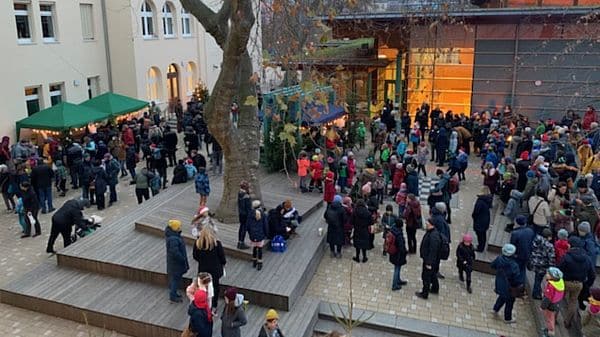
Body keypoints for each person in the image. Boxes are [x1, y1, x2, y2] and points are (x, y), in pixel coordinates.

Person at [559, 236, 596, 329]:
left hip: (565, 282)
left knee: (559, 299)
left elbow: (559, 269)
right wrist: (587, 284)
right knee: (573, 301)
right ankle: (568, 321)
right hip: (579, 283)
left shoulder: (566, 257)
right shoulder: (587, 258)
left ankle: (554, 316)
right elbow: (592, 274)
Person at [193, 226, 226, 310]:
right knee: (215, 287)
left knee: (203, 287)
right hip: (215, 270)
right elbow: (222, 257)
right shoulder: (216, 243)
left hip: (203, 269)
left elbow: (195, 256)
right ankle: (214, 305)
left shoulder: (197, 244)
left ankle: (203, 302)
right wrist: (222, 263)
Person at [491, 243, 521, 324]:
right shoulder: (514, 265)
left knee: (502, 297)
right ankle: (507, 318)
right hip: (509, 287)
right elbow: (516, 279)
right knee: (509, 303)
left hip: (499, 284)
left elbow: (492, 265)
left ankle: (495, 309)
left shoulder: (499, 258)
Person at [415, 218, 442, 300]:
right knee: (433, 274)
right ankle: (435, 289)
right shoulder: (432, 232)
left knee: (426, 277)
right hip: (431, 261)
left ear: (431, 225)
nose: (426, 225)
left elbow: (433, 251)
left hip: (429, 261)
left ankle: (424, 293)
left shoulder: (433, 236)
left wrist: (429, 263)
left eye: (427, 224)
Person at [165, 219, 189, 303]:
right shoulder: (174, 239)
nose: (180, 228)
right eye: (179, 227)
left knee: (175, 279)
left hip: (174, 264)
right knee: (175, 280)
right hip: (176, 264)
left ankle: (174, 293)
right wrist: (182, 258)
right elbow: (174, 252)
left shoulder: (172, 236)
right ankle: (173, 296)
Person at [530, 228, 556, 300]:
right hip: (543, 265)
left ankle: (537, 291)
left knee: (537, 278)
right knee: (539, 279)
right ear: (548, 237)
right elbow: (551, 257)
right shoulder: (549, 246)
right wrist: (552, 267)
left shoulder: (535, 240)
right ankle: (536, 294)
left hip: (534, 261)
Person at [509, 215, 535, 284]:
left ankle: (514, 284)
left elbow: (512, 246)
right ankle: (521, 284)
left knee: (515, 269)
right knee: (523, 269)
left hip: (518, 255)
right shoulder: (530, 231)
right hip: (527, 255)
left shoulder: (515, 233)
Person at [540, 267, 565, 337]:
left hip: (550, 305)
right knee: (551, 317)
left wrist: (542, 307)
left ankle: (550, 333)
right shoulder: (560, 282)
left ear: (553, 276)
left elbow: (547, 298)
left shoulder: (551, 286)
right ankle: (548, 329)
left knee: (549, 319)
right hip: (556, 303)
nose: (546, 274)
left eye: (548, 273)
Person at [388, 218, 407, 291]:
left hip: (393, 253)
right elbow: (401, 246)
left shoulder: (393, 230)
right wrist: (405, 252)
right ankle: (394, 285)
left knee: (397, 267)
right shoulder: (399, 234)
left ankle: (398, 280)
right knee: (397, 268)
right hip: (398, 254)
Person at [247, 200, 268, 271]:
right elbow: (265, 225)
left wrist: (250, 233)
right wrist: (266, 234)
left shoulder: (250, 214)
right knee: (260, 249)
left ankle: (254, 262)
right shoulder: (263, 214)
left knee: (254, 248)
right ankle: (259, 263)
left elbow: (248, 225)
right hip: (260, 234)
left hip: (253, 234)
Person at [472, 186, 493, 252]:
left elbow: (476, 211)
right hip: (486, 218)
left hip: (480, 220)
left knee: (480, 234)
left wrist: (473, 216)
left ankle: (480, 248)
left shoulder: (480, 201)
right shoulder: (488, 199)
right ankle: (482, 246)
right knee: (483, 234)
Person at [351, 199, 372, 263]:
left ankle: (357, 257)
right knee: (364, 244)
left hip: (357, 230)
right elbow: (370, 222)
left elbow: (352, 221)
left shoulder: (354, 211)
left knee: (357, 244)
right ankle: (364, 257)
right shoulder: (368, 212)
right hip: (365, 230)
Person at [237, 181, 251, 249]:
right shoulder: (246, 196)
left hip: (241, 213)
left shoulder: (240, 193)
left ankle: (239, 242)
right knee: (244, 229)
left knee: (241, 227)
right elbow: (248, 207)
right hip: (245, 214)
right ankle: (241, 243)